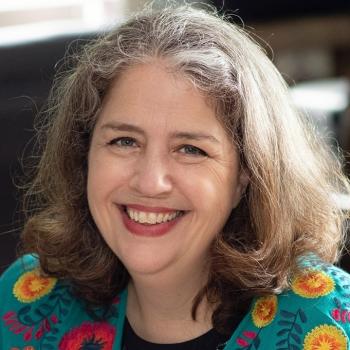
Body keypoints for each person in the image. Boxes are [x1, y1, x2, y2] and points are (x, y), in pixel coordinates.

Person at [1, 4, 350, 350]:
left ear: (247, 174)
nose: (150, 182)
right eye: (124, 141)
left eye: (190, 149)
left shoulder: (329, 322)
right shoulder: (27, 301)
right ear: (84, 154)